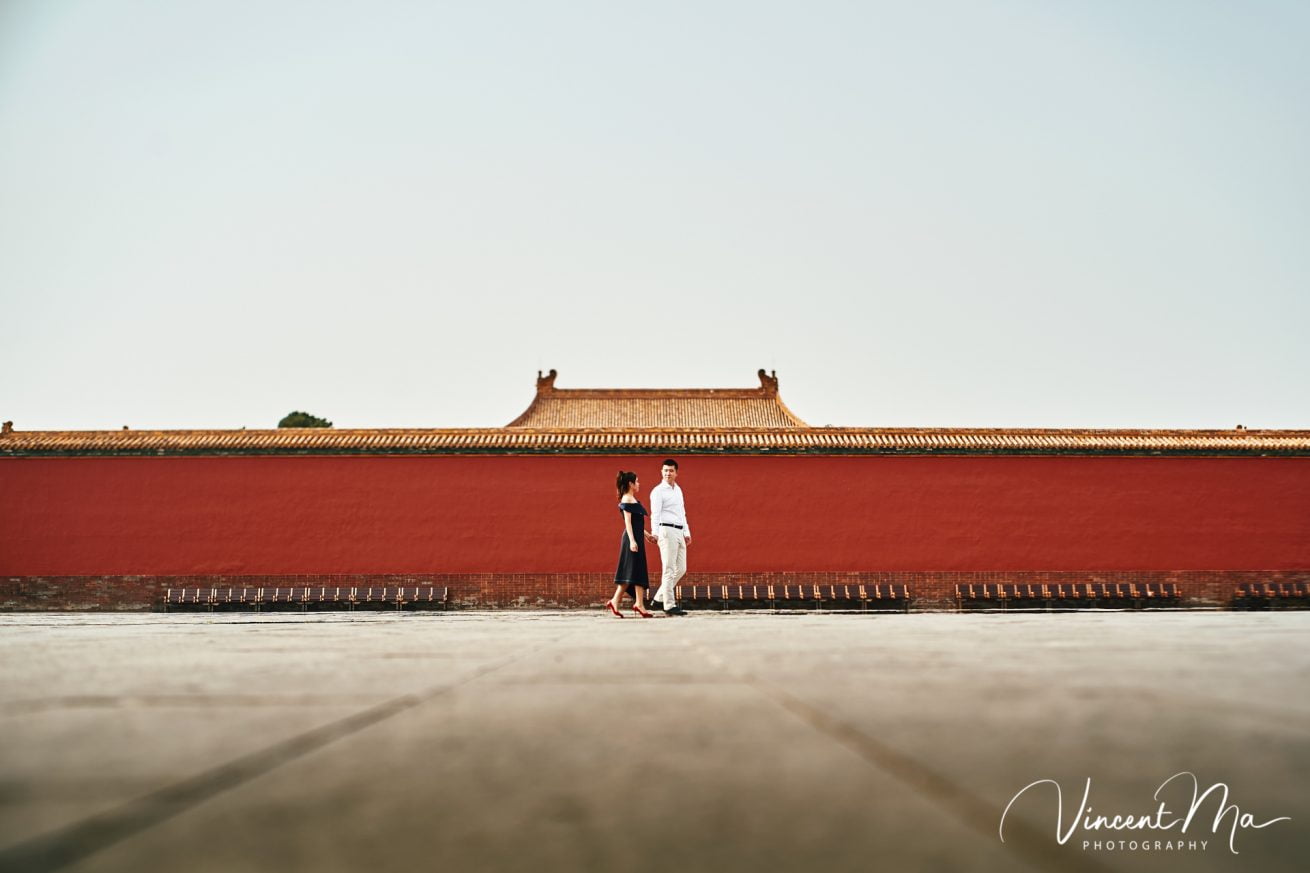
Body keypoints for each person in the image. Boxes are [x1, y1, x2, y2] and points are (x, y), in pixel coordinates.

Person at [610, 470, 656, 618]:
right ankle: (638, 604)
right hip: (632, 540)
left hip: (637, 538)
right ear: (630, 484)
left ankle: (617, 601)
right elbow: (628, 523)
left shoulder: (632, 499)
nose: (638, 484)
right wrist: (632, 541)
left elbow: (637, 524)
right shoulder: (627, 499)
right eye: (637, 481)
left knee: (634, 571)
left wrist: (647, 534)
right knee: (635, 570)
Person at [648, 458, 689, 615]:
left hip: (679, 531)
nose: (668, 473)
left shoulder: (678, 490)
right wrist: (655, 534)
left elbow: (682, 512)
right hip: (666, 531)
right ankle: (669, 605)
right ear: (661, 472)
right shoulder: (658, 491)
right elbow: (655, 514)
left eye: (671, 470)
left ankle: (658, 599)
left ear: (676, 473)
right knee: (669, 569)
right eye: (665, 470)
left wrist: (687, 532)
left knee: (682, 568)